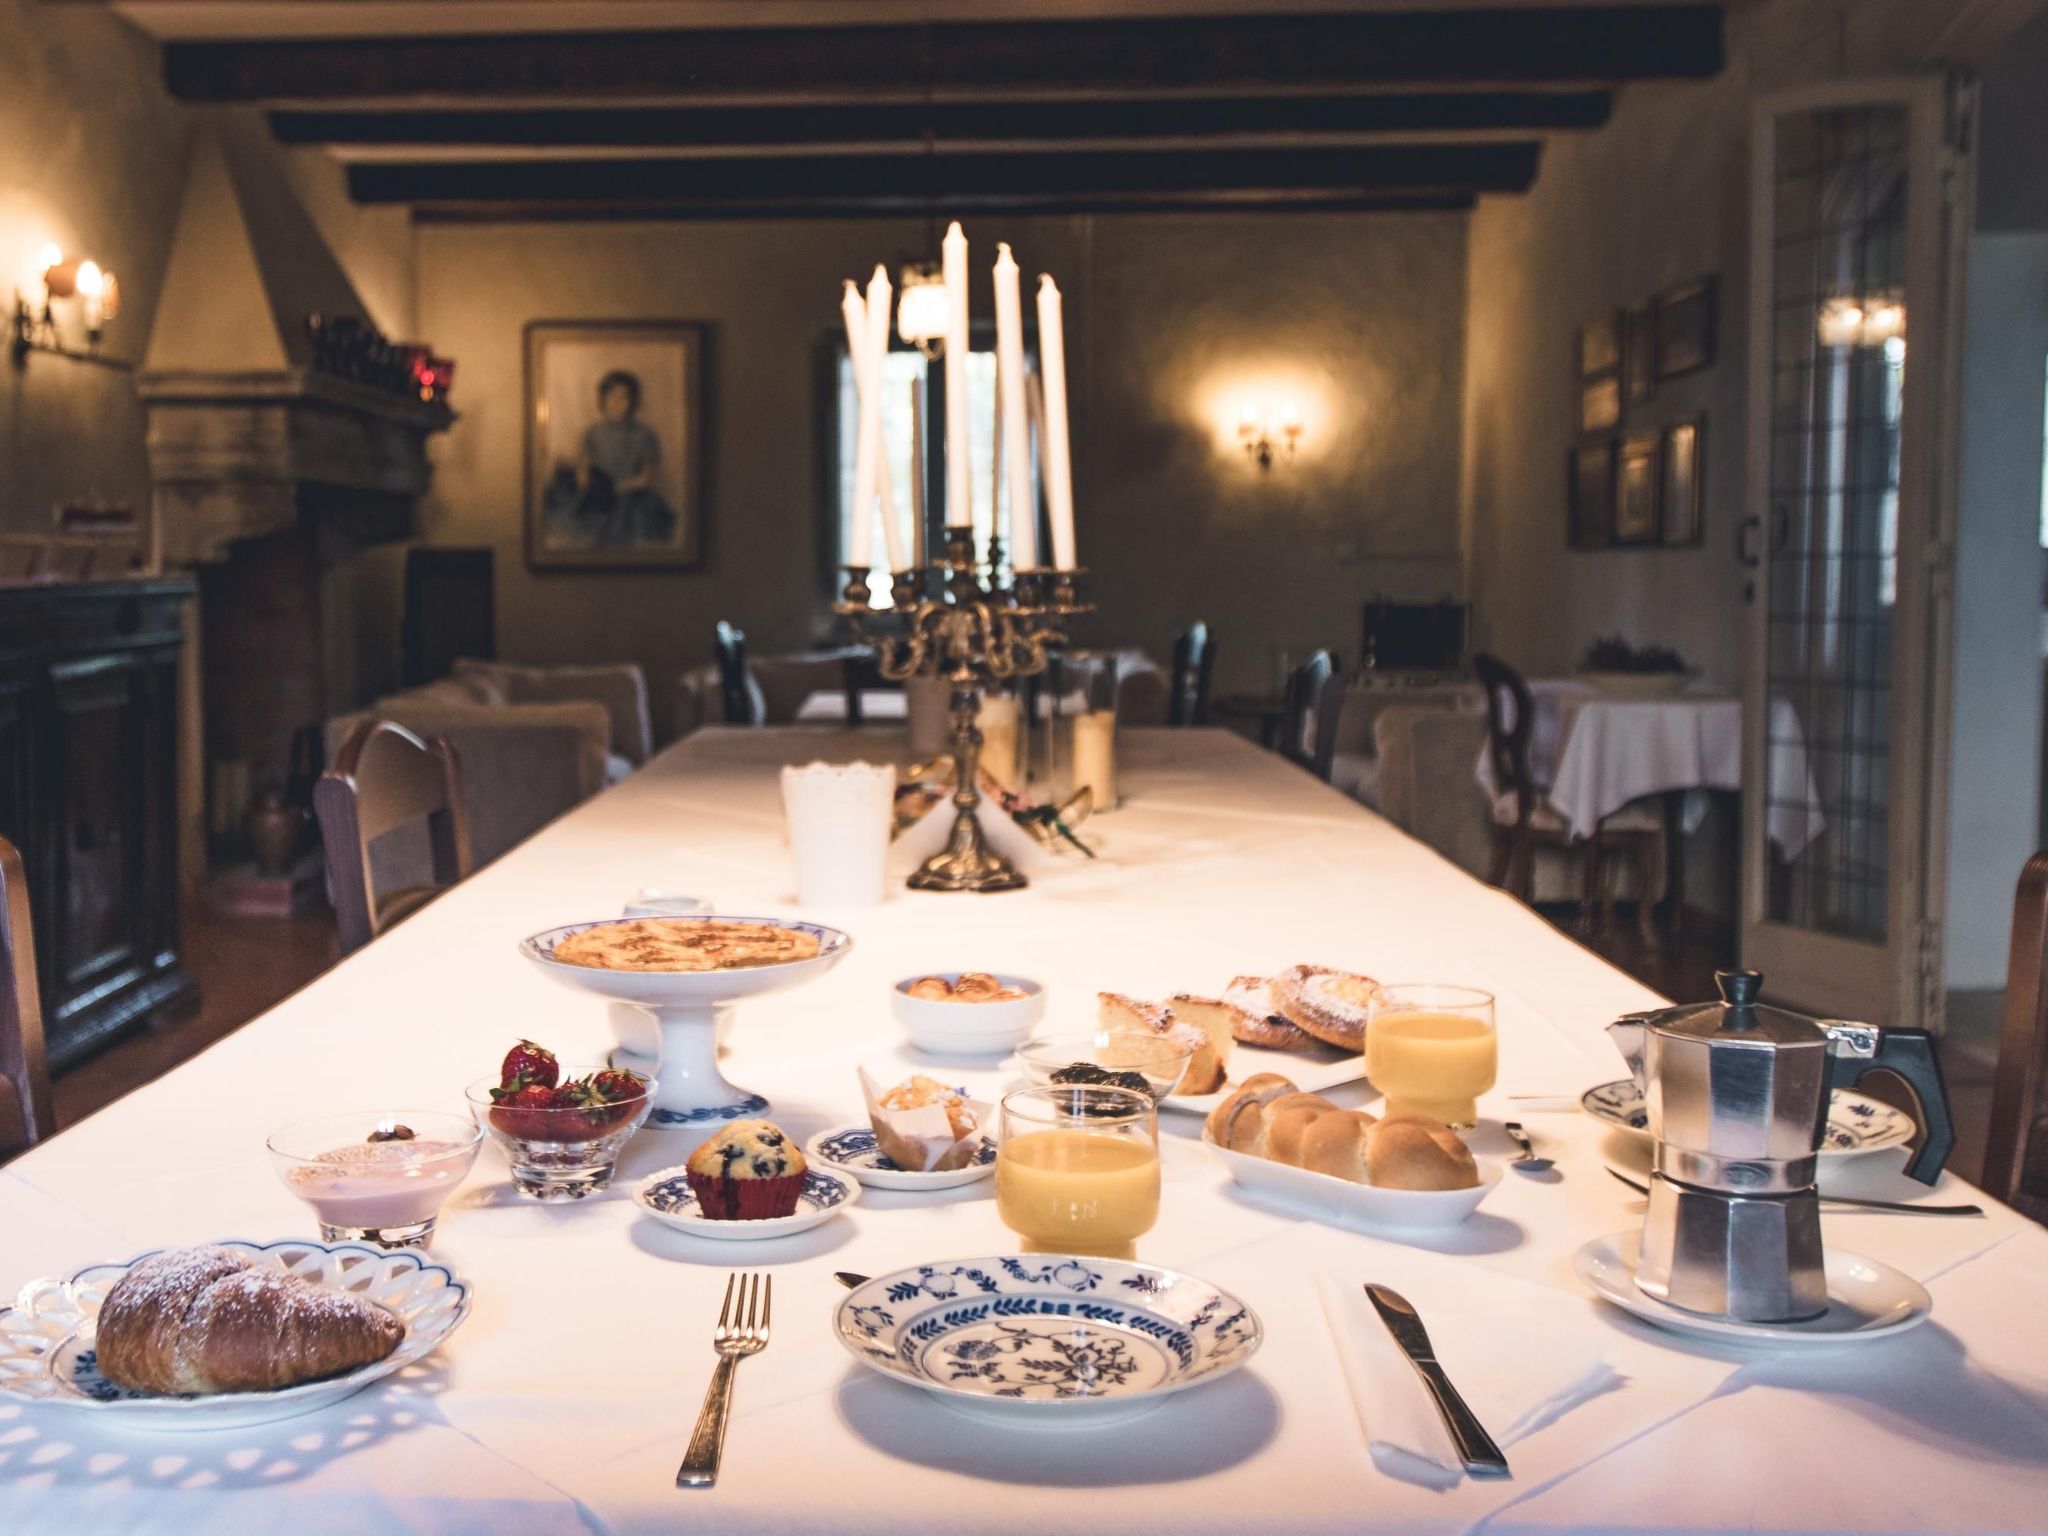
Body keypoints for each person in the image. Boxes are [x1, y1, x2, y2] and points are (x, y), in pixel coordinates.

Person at [542, 369, 678, 548]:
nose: (618, 404)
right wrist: (586, 480)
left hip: (633, 500)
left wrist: (615, 488)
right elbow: (584, 477)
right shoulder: (592, 434)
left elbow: (647, 480)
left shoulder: (645, 436)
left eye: (624, 397)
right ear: (603, 400)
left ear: (633, 401)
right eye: (612, 397)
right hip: (599, 501)